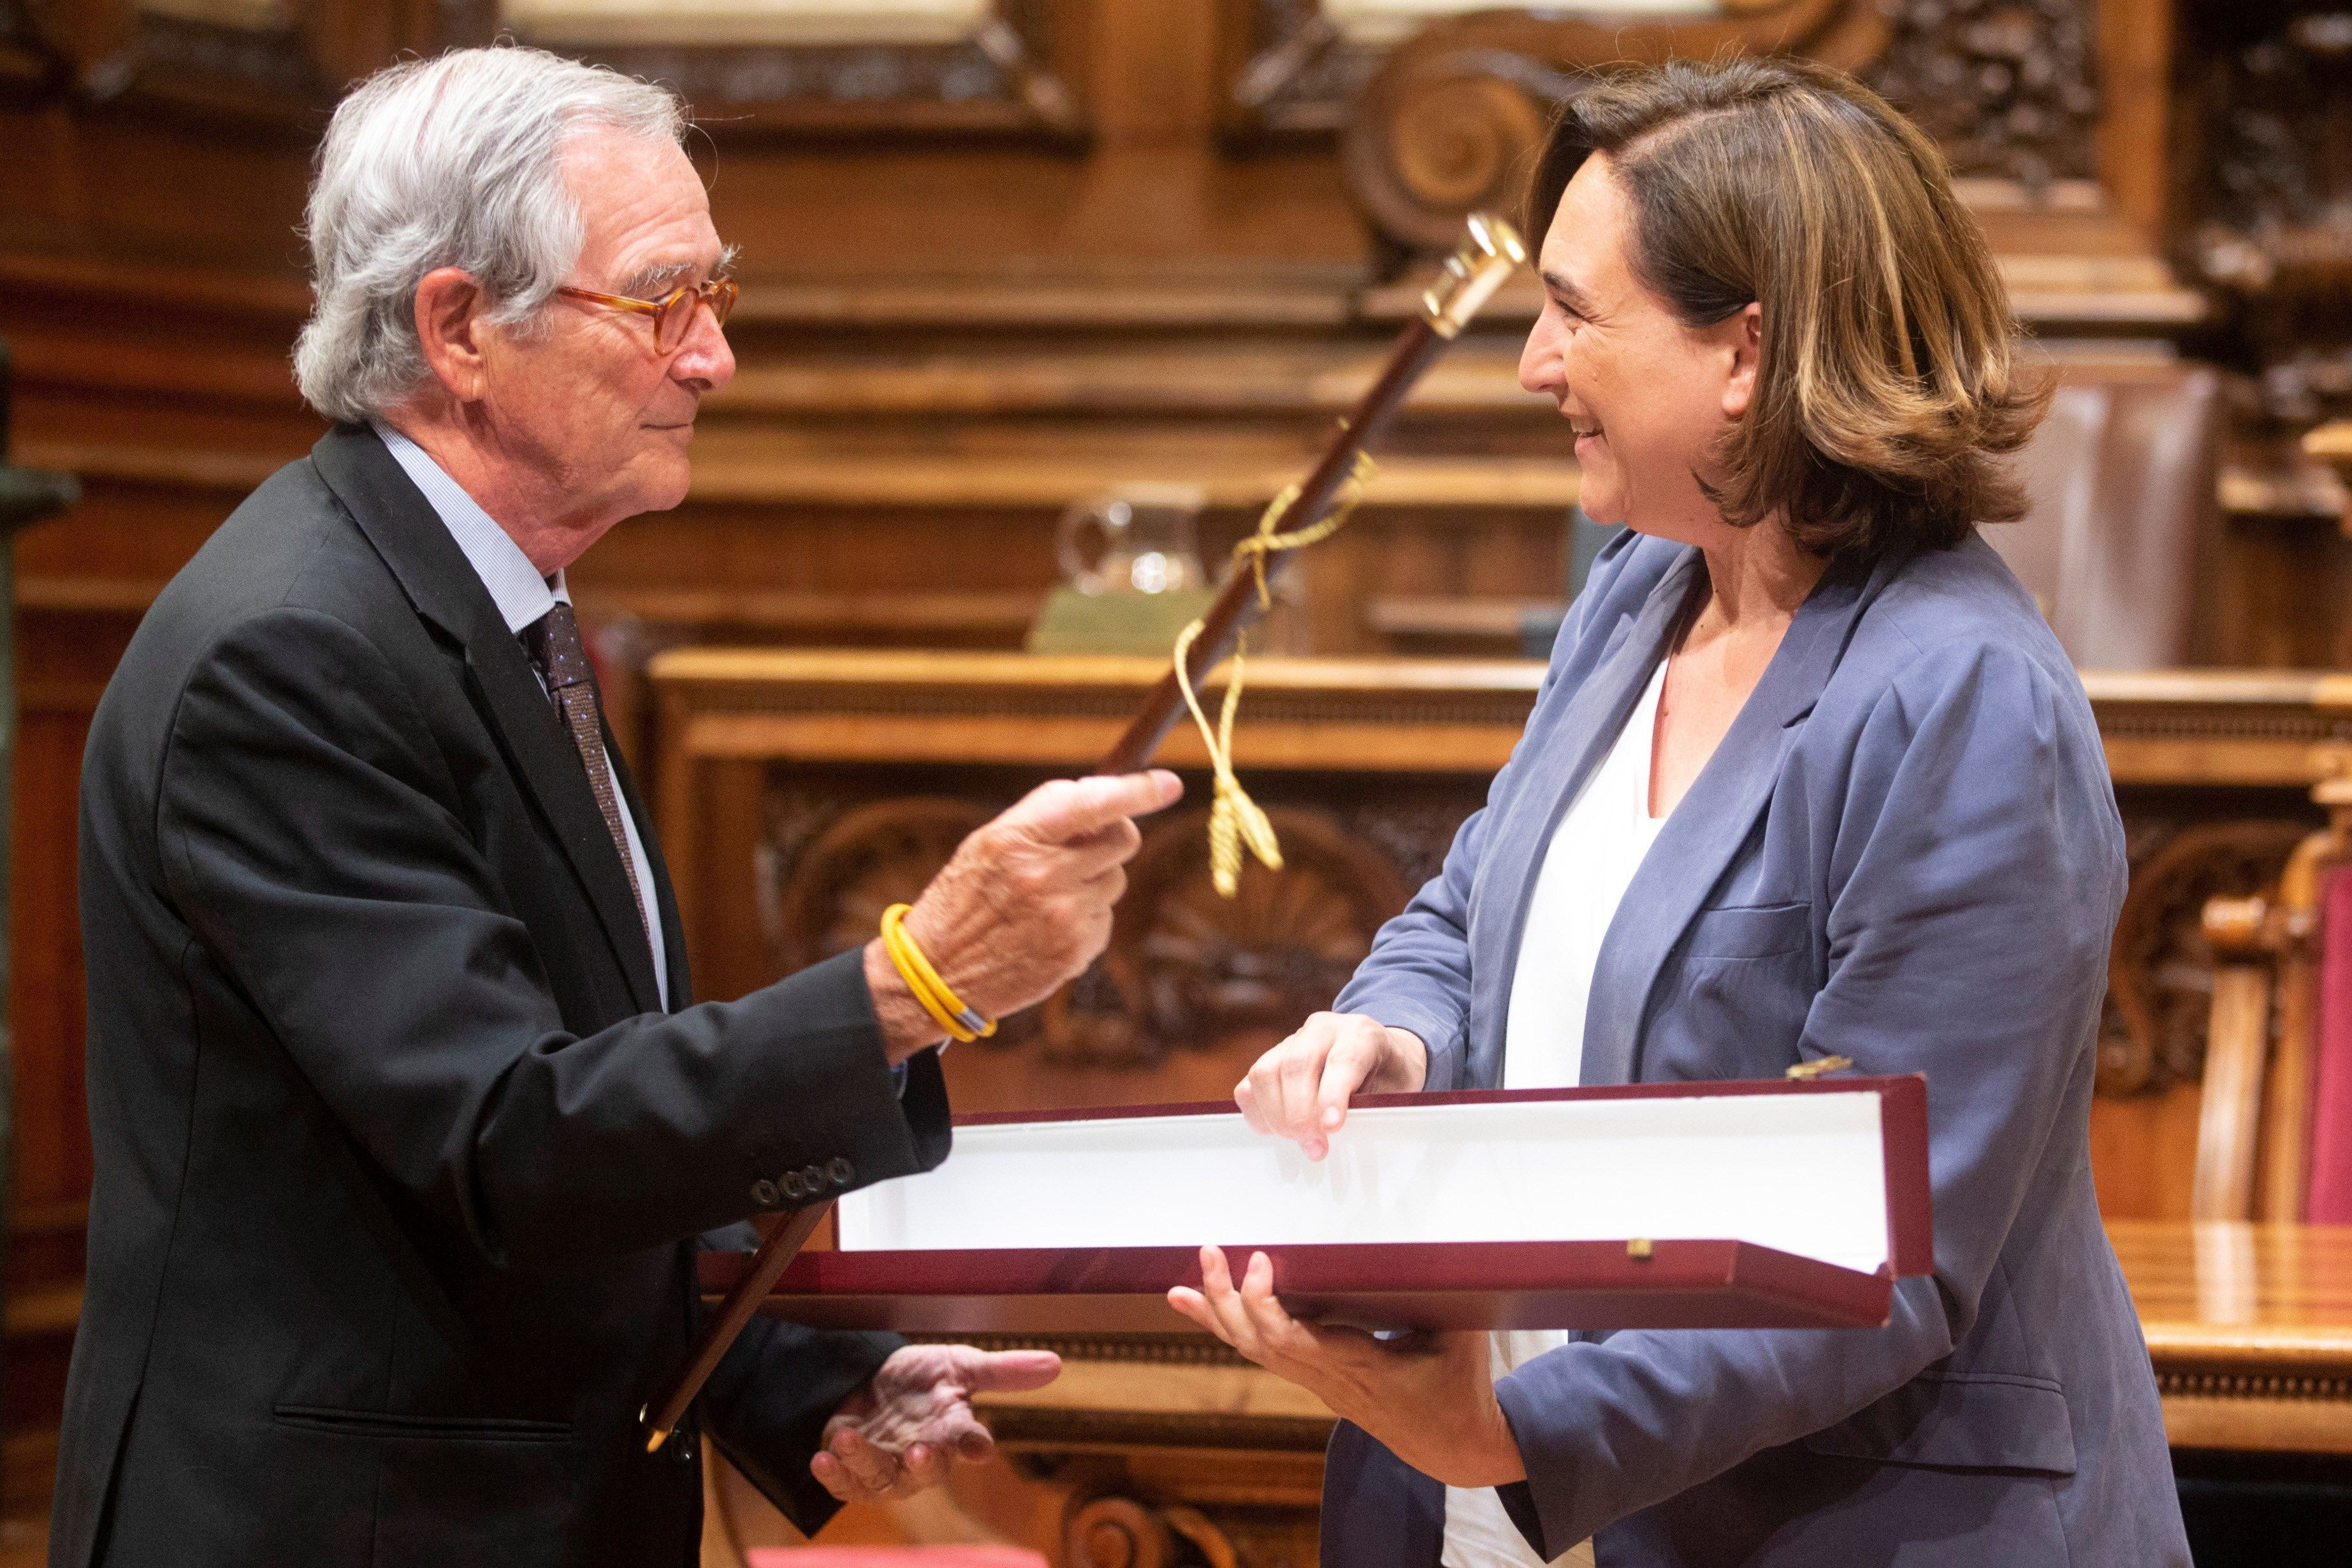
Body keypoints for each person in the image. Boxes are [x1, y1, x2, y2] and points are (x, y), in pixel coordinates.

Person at [57, 45, 1180, 1568]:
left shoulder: (487, 605)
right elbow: (510, 1138)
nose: (714, 357)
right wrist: (913, 986)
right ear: (460, 326)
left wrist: (800, 1380)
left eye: (716, 295)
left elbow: (579, 1098)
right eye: (663, 299)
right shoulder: (294, 655)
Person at [1168, 57, 2189, 1568]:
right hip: (1509, 1498)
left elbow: (1880, 1247)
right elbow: (1470, 910)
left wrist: (1511, 1438)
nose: (1532, 363)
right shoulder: (1642, 589)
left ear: (1747, 353)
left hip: (1843, 1528)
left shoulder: (1967, 704)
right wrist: (1391, 1031)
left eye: (1575, 313)